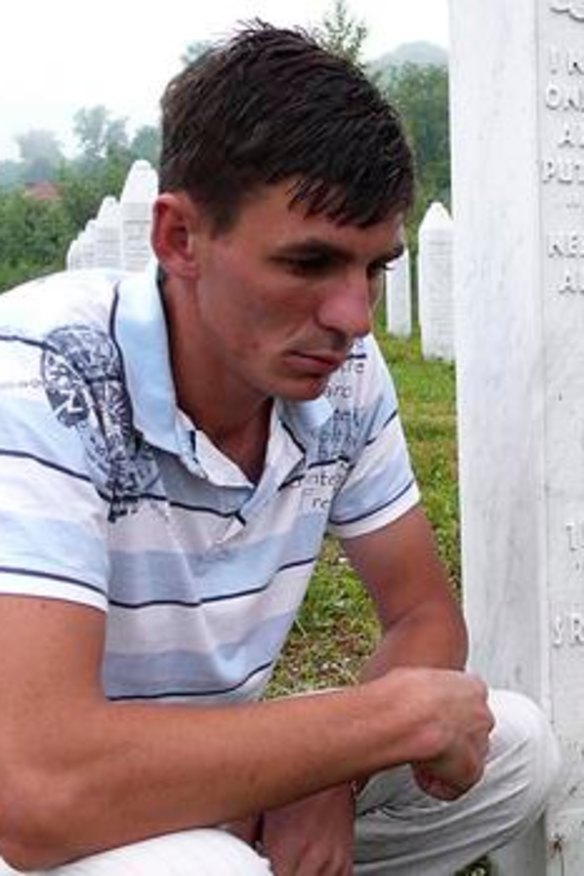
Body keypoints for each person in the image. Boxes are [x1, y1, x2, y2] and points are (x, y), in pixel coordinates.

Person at [0, 22, 559, 876]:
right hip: (39, 802)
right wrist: (372, 727)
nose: (353, 318)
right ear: (179, 239)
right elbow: (39, 788)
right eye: (309, 263)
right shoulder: (48, 376)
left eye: (374, 268)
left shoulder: (343, 375)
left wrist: (327, 774)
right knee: (201, 869)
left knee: (516, 747)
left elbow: (424, 615)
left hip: (211, 776)